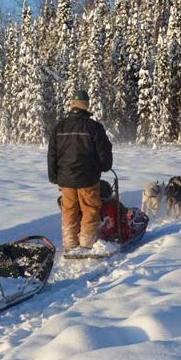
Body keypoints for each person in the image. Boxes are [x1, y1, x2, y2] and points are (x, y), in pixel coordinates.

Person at [47, 89, 113, 253]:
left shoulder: (59, 126)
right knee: (90, 210)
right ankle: (86, 244)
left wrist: (54, 175)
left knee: (69, 211)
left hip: (66, 179)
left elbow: (52, 154)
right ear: (86, 105)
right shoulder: (94, 127)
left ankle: (70, 244)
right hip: (88, 178)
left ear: (72, 105)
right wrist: (105, 166)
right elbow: (104, 151)